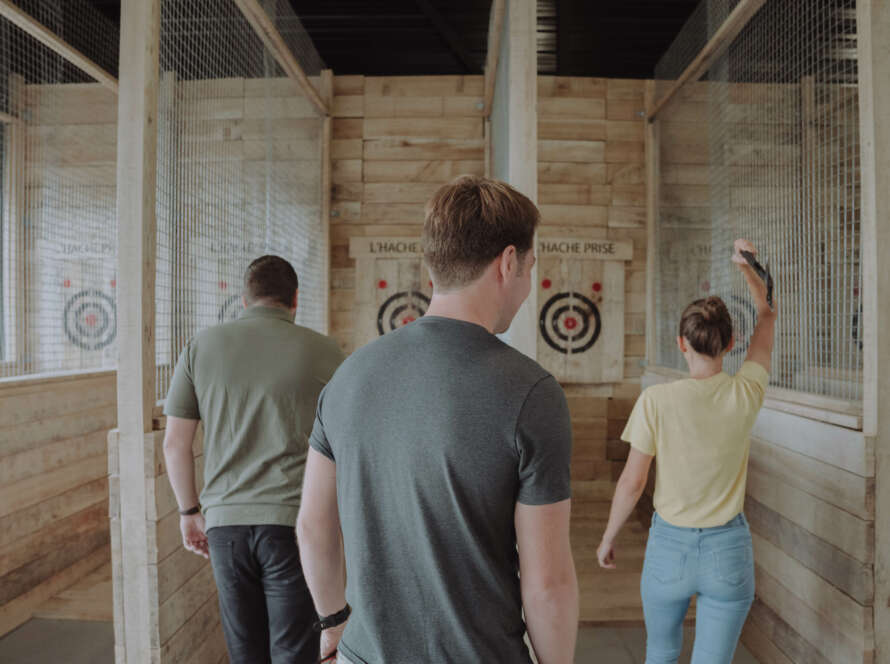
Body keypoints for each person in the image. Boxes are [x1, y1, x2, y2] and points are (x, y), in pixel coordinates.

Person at [296, 175, 579, 664]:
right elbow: (548, 584)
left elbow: (313, 527)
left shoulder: (348, 376)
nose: (528, 284)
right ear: (508, 262)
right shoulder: (532, 393)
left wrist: (333, 623)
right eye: (530, 267)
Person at [596, 239, 777, 664]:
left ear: (681, 344)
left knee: (661, 653)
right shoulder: (746, 391)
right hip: (727, 551)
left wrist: (609, 536)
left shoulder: (656, 402)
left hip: (669, 551)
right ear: (730, 344)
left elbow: (633, 481)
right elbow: (767, 316)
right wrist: (749, 269)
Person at [162, 255, 344, 664]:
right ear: (295, 299)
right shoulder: (325, 351)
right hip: (293, 524)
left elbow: (175, 443)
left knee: (244, 651)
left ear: (244, 300)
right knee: (294, 648)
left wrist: (189, 510)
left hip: (224, 525)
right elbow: (349, 440)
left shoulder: (199, 348)